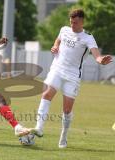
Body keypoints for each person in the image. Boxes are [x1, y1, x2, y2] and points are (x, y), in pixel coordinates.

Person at [31, 9, 112, 148]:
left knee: (67, 110)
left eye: (75, 23)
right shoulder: (64, 30)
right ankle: (39, 127)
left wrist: (101, 60)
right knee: (46, 94)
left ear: (82, 21)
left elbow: (96, 55)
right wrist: (55, 46)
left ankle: (64, 136)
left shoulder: (88, 37)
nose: (72, 25)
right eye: (71, 22)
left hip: (72, 76)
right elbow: (58, 40)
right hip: (57, 69)